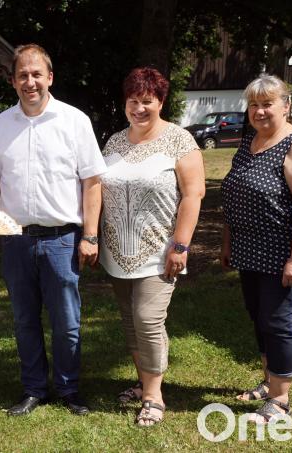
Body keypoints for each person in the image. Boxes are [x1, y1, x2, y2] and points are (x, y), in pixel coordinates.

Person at [0, 44, 107, 417]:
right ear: (12, 80)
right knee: (23, 320)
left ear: (50, 77)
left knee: (67, 323)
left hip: (62, 240)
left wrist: (90, 235)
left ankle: (69, 390)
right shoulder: (1, 125)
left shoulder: (75, 121)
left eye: (37, 74)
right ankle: (34, 389)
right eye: (23, 75)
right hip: (15, 239)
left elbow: (93, 182)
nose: (30, 81)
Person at [97, 67, 205, 426]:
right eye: (133, 101)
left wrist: (181, 245)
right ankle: (144, 382)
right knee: (130, 322)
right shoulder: (114, 141)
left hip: (159, 251)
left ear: (160, 102)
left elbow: (193, 194)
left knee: (148, 319)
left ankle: (154, 397)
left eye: (148, 101)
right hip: (117, 252)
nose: (139, 108)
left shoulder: (179, 140)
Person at [221, 74, 292, 424]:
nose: (260, 111)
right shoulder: (249, 142)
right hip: (250, 249)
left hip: (283, 253)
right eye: (254, 104)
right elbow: (234, 195)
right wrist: (228, 240)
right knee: (259, 318)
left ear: (285, 106)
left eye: (267, 104)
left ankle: (280, 401)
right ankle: (269, 381)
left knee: (278, 322)